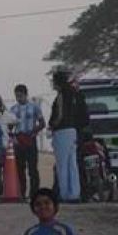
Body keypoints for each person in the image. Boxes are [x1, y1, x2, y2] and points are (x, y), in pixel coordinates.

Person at [48, 67, 89, 203]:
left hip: (62, 131)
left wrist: (52, 125)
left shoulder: (61, 95)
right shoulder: (75, 94)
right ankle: (74, 193)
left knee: (62, 165)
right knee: (72, 164)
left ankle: (64, 194)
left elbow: (59, 115)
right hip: (73, 131)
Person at [10, 84, 46, 200]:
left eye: (20, 96)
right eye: (16, 96)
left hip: (30, 139)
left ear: (26, 95)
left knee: (32, 169)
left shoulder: (34, 107)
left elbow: (42, 123)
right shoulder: (13, 109)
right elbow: (9, 126)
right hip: (18, 140)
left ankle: (34, 193)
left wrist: (34, 131)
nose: (18, 99)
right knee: (19, 169)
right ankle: (21, 193)